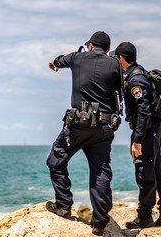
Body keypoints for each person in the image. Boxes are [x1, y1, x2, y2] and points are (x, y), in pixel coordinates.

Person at [46, 31, 122, 236]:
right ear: (107, 49)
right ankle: (99, 222)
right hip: (104, 128)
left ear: (90, 45)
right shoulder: (115, 64)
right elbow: (118, 94)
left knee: (56, 159)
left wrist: (54, 63)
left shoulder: (77, 57)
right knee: (100, 171)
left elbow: (59, 60)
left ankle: (63, 205)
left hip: (78, 126)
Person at [112, 42, 161, 229]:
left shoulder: (135, 80)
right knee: (157, 171)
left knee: (145, 173)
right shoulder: (137, 73)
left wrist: (137, 140)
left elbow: (144, 112)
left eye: (117, 58)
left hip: (146, 131)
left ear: (121, 58)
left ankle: (145, 217)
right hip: (153, 130)